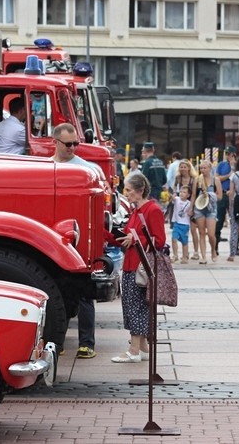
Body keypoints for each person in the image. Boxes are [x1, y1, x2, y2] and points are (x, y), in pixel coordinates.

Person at [52, 123, 102, 359]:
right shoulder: (46, 167)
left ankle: (87, 344)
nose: (73, 148)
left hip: (81, 241)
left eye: (75, 144)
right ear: (56, 143)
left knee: (84, 295)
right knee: (57, 295)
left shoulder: (87, 169)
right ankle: (56, 342)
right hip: (54, 240)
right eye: (68, 144)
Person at [111, 173, 165, 363]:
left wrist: (134, 239)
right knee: (134, 306)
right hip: (131, 264)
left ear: (140, 190)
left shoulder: (152, 209)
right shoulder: (137, 210)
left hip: (140, 266)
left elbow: (159, 240)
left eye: (128, 190)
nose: (126, 193)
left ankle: (134, 350)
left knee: (136, 307)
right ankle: (142, 348)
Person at [192, 160, 222, 264]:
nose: (203, 170)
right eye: (201, 168)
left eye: (205, 168)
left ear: (210, 168)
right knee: (201, 233)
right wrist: (191, 208)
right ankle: (203, 256)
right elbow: (193, 195)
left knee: (211, 234)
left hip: (211, 208)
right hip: (199, 207)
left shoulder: (215, 180)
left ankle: (213, 250)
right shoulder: (197, 180)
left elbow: (220, 196)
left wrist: (211, 196)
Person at [215, 146, 237, 251]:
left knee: (235, 220)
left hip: (234, 194)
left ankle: (235, 246)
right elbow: (217, 178)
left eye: (229, 154)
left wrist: (233, 167)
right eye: (226, 153)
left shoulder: (238, 165)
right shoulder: (221, 165)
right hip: (223, 193)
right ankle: (215, 245)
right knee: (219, 219)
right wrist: (229, 175)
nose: (227, 156)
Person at [170, 185, 191, 264]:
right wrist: (172, 195)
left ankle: (185, 256)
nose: (182, 193)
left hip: (185, 225)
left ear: (188, 195)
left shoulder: (189, 203)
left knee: (184, 242)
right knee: (174, 239)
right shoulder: (177, 200)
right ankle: (175, 255)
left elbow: (191, 212)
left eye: (184, 192)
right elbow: (172, 198)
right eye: (181, 192)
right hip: (177, 223)